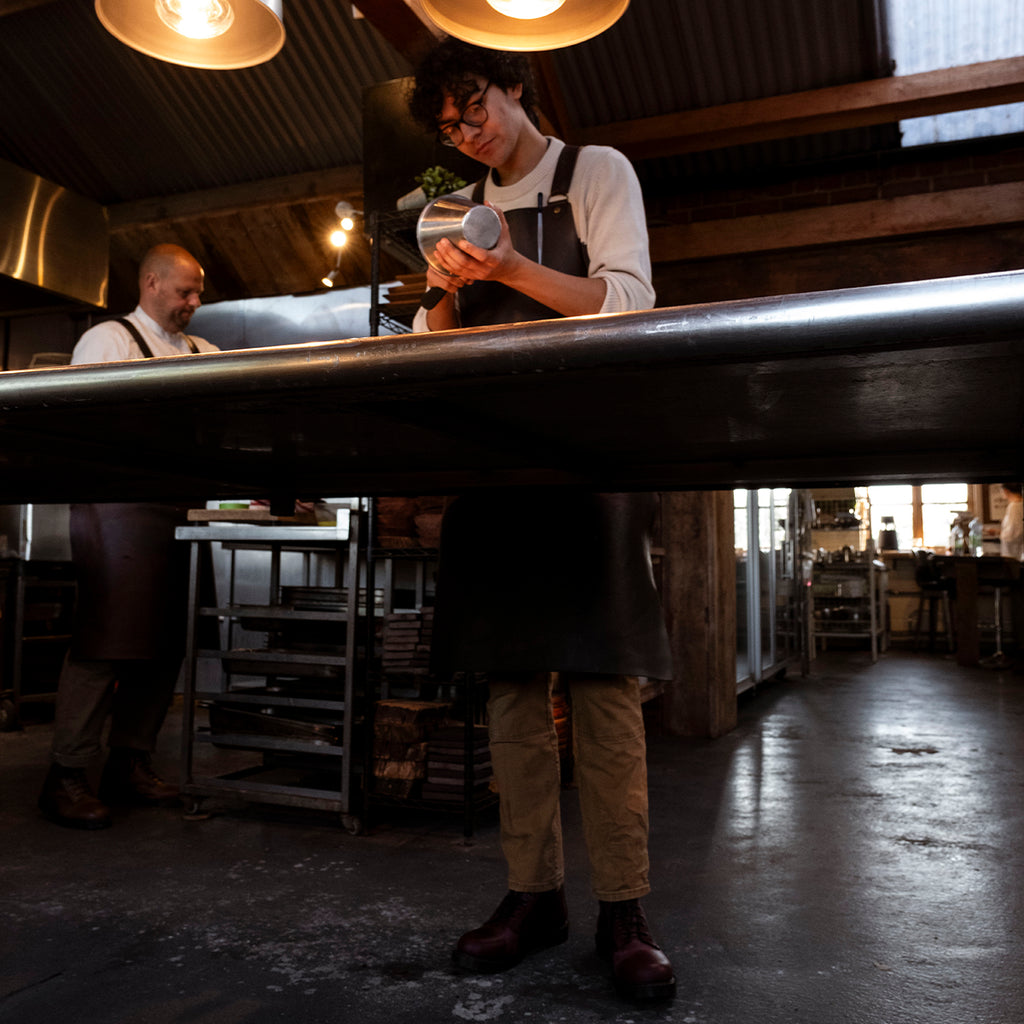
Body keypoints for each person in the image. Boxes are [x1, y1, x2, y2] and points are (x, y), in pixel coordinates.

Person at [408, 40, 676, 1003]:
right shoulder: (452, 209)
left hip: (588, 462)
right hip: (494, 468)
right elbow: (431, 344)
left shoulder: (594, 173)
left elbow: (629, 304)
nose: (468, 132)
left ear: (514, 86)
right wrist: (442, 290)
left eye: (475, 106)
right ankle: (535, 896)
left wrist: (514, 267)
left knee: (603, 688)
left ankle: (624, 910)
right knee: (512, 692)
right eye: (451, 126)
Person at [38, 244, 218, 830]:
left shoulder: (205, 352)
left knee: (167, 642)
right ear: (151, 284)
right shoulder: (108, 340)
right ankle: (65, 775)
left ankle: (129, 763)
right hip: (115, 509)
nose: (195, 302)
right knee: (106, 641)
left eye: (198, 293)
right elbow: (79, 427)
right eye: (185, 291)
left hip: (184, 512)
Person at [999, 483, 1023, 560]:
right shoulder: (1019, 504)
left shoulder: (1015, 506)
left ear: (1006, 491)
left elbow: (1014, 532)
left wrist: (1001, 534)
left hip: (1013, 553)